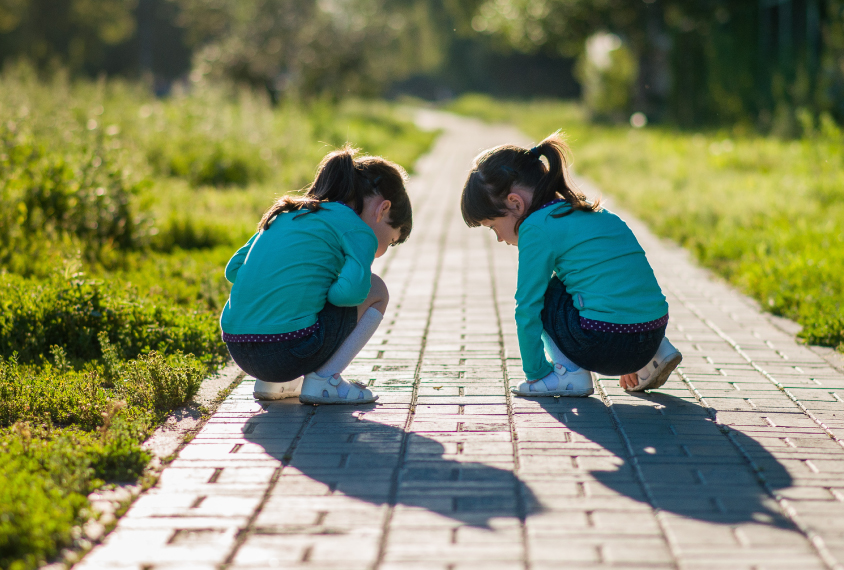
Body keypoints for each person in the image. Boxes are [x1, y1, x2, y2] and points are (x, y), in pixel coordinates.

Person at [460, 133, 682, 397]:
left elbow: (527, 308)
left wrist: (537, 374)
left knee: (547, 292)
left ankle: (568, 375)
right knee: (587, 281)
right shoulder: (589, 210)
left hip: (606, 342)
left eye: (493, 226)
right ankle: (656, 353)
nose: (498, 237)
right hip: (652, 331)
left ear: (515, 203)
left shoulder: (535, 227)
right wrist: (635, 350)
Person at [220, 145, 411, 404]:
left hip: (238, 349)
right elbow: (349, 294)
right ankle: (324, 381)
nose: (382, 251)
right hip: (286, 352)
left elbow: (233, 270)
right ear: (382, 209)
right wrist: (328, 284)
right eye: (390, 240)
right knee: (377, 291)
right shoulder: (359, 230)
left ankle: (275, 384)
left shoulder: (288, 212)